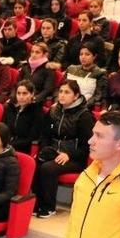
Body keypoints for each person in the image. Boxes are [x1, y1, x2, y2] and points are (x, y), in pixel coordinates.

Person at [34, 80, 96, 218]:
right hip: (54, 151)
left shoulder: (84, 115)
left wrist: (69, 154)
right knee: (37, 162)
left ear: (76, 96)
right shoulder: (53, 111)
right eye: (60, 91)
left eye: (67, 92)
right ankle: (36, 203)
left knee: (48, 168)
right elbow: (45, 134)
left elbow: (88, 145)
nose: (62, 95)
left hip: (75, 157)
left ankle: (49, 207)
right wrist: (44, 150)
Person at [2, 80, 43, 154]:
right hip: (7, 145)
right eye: (18, 93)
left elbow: (31, 138)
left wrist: (10, 145)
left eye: (25, 93)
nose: (21, 97)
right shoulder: (10, 107)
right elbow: (3, 128)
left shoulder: (36, 111)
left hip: (23, 149)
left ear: (32, 94)